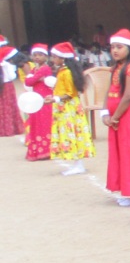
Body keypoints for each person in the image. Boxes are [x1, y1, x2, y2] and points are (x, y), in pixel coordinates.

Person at [102, 30, 130, 207]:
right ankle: (127, 188)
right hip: (118, 116)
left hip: (129, 114)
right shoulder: (116, 68)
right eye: (112, 47)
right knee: (121, 150)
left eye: (119, 47)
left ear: (129, 48)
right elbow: (108, 91)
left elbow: (128, 96)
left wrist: (115, 117)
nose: (114, 50)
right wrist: (105, 113)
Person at [46, 43, 96, 175]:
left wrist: (55, 99)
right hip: (65, 106)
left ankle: (78, 164)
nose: (53, 59)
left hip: (68, 108)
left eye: (55, 57)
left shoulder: (67, 72)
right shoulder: (63, 71)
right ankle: (76, 163)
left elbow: (70, 93)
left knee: (71, 133)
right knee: (71, 133)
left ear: (62, 58)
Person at [24, 45, 54, 161]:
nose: (37, 57)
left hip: (45, 100)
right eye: (35, 55)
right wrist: (35, 79)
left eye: (40, 55)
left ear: (46, 57)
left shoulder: (45, 69)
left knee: (44, 123)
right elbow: (28, 82)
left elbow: (30, 80)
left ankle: (46, 150)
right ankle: (40, 149)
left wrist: (34, 78)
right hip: (37, 100)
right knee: (37, 123)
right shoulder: (35, 69)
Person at [0, 46, 25, 137]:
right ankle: (11, 129)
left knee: (2, 106)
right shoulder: (8, 65)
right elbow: (12, 76)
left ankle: (3, 129)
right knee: (10, 105)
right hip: (7, 86)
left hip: (1, 86)